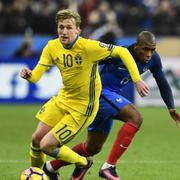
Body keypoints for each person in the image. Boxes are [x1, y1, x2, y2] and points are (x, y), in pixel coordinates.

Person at [20, 9, 149, 180]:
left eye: (68, 27)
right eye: (61, 27)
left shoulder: (88, 47)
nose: (64, 31)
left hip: (82, 107)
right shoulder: (52, 47)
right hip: (63, 99)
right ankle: (38, 175)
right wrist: (29, 76)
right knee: (36, 139)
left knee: (46, 145)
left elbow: (123, 52)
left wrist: (137, 79)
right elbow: (36, 76)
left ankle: (82, 162)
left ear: (77, 30)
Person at [43, 31, 180, 180]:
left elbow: (162, 81)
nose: (149, 54)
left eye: (152, 50)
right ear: (136, 46)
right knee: (136, 117)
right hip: (99, 93)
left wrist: (171, 107)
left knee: (92, 148)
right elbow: (90, 60)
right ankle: (109, 167)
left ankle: (51, 167)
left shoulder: (153, 59)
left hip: (108, 99)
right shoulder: (119, 53)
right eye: (145, 49)